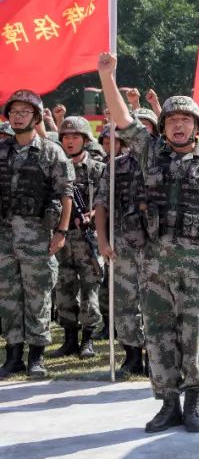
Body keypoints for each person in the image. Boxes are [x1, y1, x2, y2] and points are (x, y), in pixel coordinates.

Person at [97, 53, 199, 433]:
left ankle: (194, 402)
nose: (179, 126)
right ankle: (168, 403)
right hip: (153, 261)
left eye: (186, 121)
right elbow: (124, 120)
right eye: (173, 120)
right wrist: (106, 77)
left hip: (197, 261)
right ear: (163, 126)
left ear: (196, 126)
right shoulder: (149, 153)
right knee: (158, 333)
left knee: (195, 332)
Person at [0, 90, 74, 380]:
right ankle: (14, 355)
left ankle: (37, 357)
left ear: (35, 116)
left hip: (38, 234)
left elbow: (66, 193)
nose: (18, 117)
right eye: (14, 112)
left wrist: (62, 231)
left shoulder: (50, 151)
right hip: (4, 234)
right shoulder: (2, 150)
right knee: (8, 295)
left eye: (24, 112)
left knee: (38, 295)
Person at [93, 124, 148, 379]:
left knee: (156, 303)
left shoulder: (161, 163)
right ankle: (133, 355)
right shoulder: (115, 166)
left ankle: (158, 355)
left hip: (155, 245)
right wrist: (103, 241)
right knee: (125, 302)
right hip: (122, 243)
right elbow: (101, 204)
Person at [53, 116, 105, 360]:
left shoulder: (98, 169)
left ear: (85, 140)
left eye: (75, 137)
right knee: (64, 288)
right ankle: (69, 339)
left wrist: (91, 215)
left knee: (89, 289)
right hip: (62, 238)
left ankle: (88, 340)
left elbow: (106, 201)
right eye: (66, 137)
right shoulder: (55, 167)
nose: (70, 141)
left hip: (88, 239)